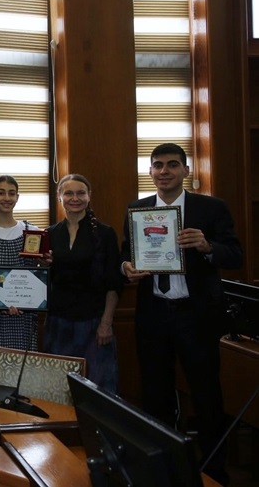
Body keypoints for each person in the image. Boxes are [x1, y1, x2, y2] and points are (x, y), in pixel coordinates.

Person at [121, 143, 242, 484]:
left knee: (206, 396)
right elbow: (126, 253)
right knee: (155, 395)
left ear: (186, 170)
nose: (164, 171)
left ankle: (213, 470)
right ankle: (162, 466)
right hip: (153, 316)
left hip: (197, 316)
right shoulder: (137, 209)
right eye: (157, 165)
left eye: (172, 165)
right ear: (150, 172)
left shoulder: (211, 208)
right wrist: (126, 267)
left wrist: (207, 247)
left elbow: (234, 255)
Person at [45, 174, 122, 392]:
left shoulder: (105, 234)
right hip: (59, 322)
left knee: (98, 388)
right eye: (68, 193)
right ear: (60, 197)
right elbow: (45, 279)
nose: (75, 198)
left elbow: (114, 283)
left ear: (89, 196)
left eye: (81, 193)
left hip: (94, 322)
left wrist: (106, 323)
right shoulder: (50, 234)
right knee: (58, 387)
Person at [0, 175, 40, 351]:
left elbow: (40, 274)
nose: (7, 198)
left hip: (25, 313)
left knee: (25, 370)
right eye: (1, 193)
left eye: (12, 193)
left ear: (17, 197)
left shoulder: (32, 232)